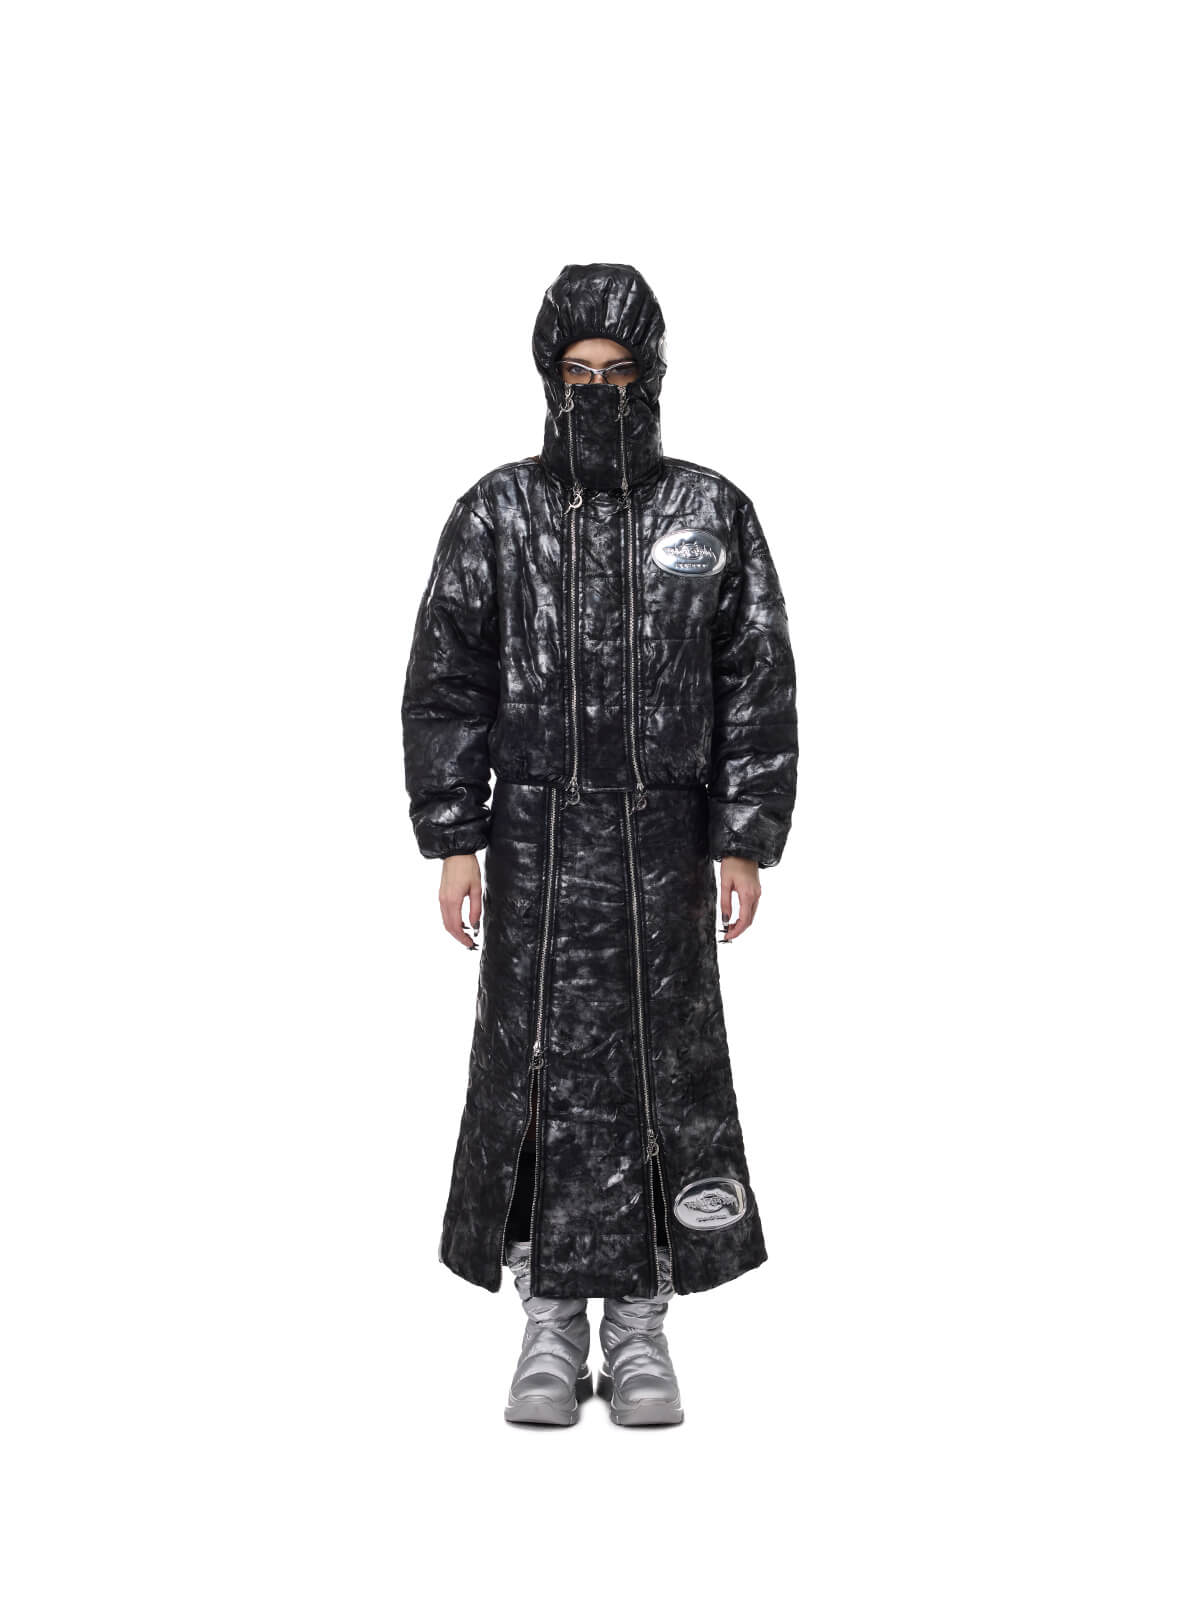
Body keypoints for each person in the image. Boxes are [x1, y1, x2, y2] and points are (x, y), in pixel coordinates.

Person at [402, 263, 798, 1427]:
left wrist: (742, 836)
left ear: (652, 377)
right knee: (534, 1069)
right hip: (533, 838)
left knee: (658, 1073)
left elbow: (755, 680)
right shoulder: (497, 514)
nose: (598, 393)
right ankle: (547, 1322)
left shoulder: (709, 513)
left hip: (665, 842)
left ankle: (638, 1327)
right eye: (578, 373)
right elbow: (447, 679)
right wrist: (454, 836)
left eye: (618, 373)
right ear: (548, 377)